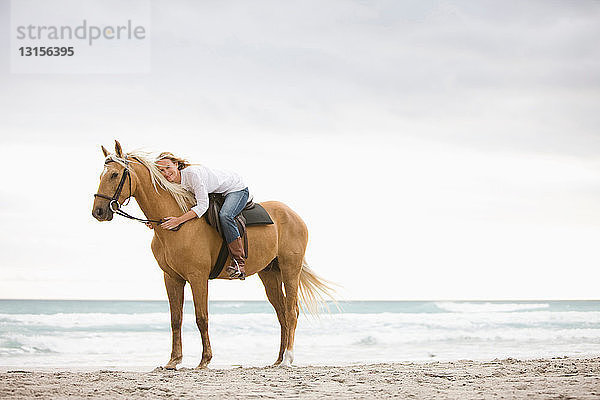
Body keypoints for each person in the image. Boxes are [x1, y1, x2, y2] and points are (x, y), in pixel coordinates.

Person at [152, 152, 250, 280]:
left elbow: (202, 206)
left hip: (235, 189)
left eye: (168, 167)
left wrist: (179, 221)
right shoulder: (171, 183)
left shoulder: (192, 175)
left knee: (225, 216)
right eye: (161, 170)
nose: (165, 173)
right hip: (215, 191)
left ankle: (238, 262)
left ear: (176, 164)